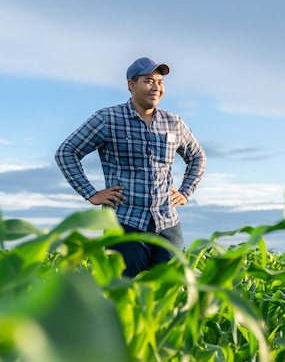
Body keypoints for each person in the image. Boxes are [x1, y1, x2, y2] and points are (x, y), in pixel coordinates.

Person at [55, 57, 206, 277]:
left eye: (160, 82)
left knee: (169, 295)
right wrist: (91, 193)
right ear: (131, 85)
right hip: (124, 224)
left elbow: (198, 157)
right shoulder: (108, 118)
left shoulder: (174, 122)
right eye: (149, 80)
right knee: (127, 294)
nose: (156, 87)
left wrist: (185, 192)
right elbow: (66, 152)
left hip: (167, 224)